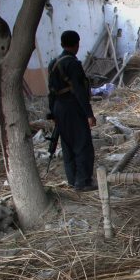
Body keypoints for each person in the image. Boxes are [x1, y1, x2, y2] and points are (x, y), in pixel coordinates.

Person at [48, 30, 97, 191]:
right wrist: (89, 114)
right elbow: (79, 91)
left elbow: (51, 90)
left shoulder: (53, 62)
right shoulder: (73, 64)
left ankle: (72, 180)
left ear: (62, 44)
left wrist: (52, 112)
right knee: (82, 144)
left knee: (67, 144)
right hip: (72, 107)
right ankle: (82, 182)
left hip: (59, 108)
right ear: (77, 44)